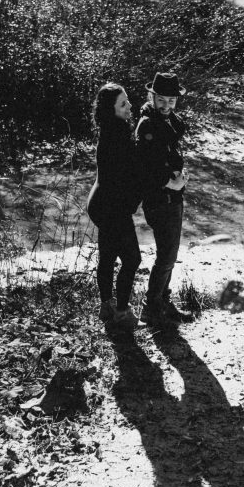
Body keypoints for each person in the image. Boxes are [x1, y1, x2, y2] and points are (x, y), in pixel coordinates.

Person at [135, 72, 190, 326]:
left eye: (171, 100)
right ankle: (152, 307)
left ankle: (163, 303)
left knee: (170, 253)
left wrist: (180, 177)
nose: (167, 105)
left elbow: (171, 153)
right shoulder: (147, 124)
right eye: (161, 100)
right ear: (152, 96)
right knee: (167, 256)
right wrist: (171, 182)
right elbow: (143, 167)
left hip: (173, 196)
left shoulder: (168, 120)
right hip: (160, 198)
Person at [87, 82, 142, 329]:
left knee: (108, 256)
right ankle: (121, 313)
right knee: (132, 259)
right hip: (111, 207)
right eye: (123, 104)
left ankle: (106, 306)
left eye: (128, 100)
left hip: (99, 203)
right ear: (111, 110)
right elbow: (130, 175)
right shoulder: (118, 135)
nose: (129, 106)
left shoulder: (110, 129)